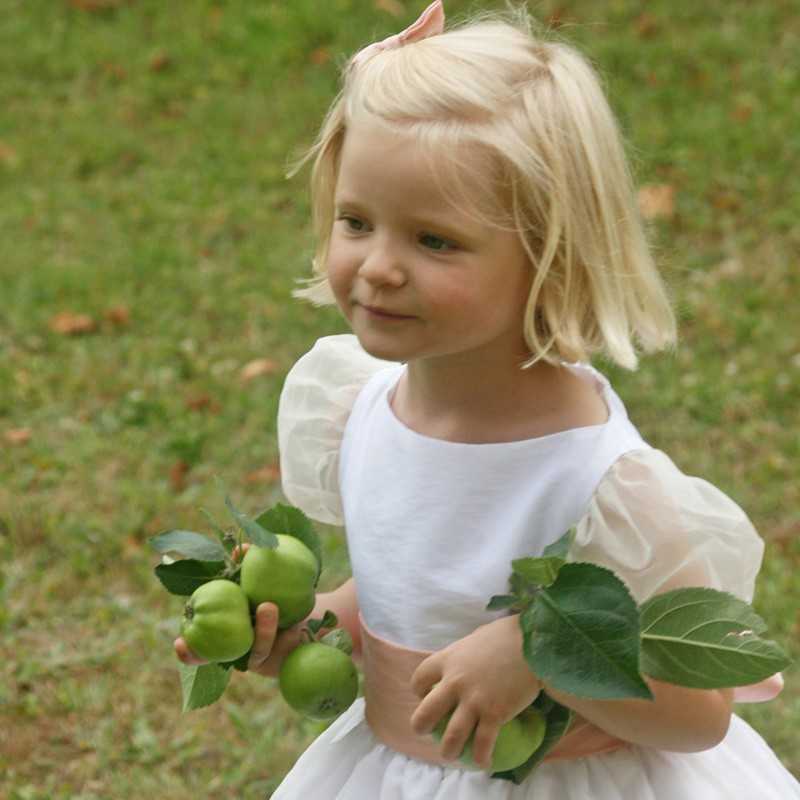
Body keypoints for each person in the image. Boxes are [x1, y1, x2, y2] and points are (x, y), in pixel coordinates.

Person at [176, 2, 800, 796]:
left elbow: (700, 717)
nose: (378, 267)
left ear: (549, 253)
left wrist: (544, 649)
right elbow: (415, 579)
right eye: (356, 221)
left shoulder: (599, 478)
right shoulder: (360, 408)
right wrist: (316, 629)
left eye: (434, 240)